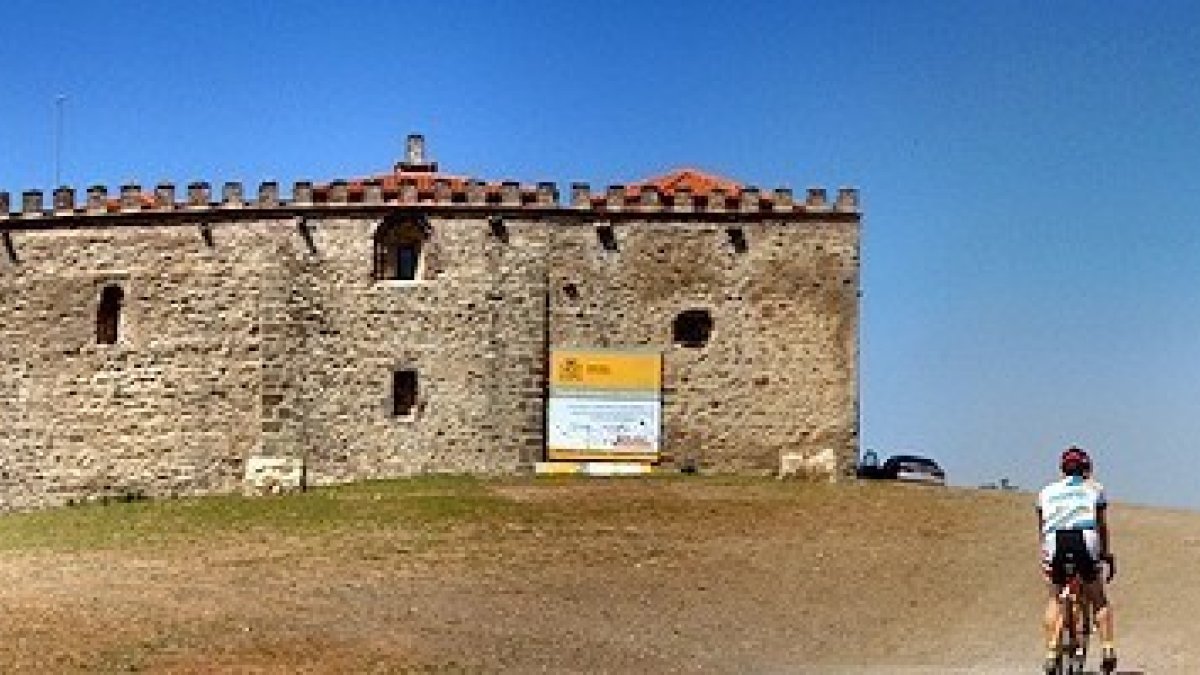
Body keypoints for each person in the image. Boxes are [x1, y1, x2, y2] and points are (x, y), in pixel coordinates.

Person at [1036, 446, 1116, 673]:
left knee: (1054, 597)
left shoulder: (1045, 491)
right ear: (1086, 469)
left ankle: (1052, 650)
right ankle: (1108, 648)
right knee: (1098, 597)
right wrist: (1106, 554)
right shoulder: (1095, 489)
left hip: (1054, 540)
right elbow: (1101, 525)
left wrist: (1044, 554)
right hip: (1085, 538)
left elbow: (1042, 527)